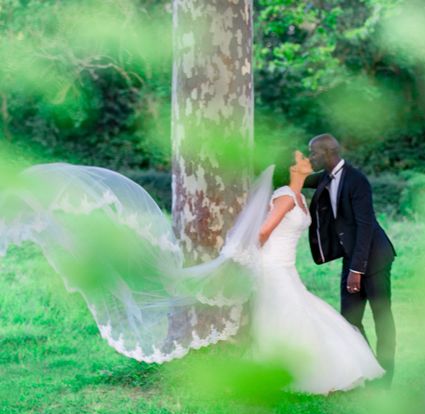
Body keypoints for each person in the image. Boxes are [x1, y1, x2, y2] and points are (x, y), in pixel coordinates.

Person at [0, 155, 383, 394]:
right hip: (272, 265)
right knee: (288, 314)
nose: (306, 158)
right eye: (302, 157)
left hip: (284, 264)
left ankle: (307, 369)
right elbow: (263, 231)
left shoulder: (300, 197)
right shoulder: (285, 195)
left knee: (296, 311)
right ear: (290, 168)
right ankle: (302, 372)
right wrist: (249, 256)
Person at [303, 134, 396, 386]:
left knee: (382, 318)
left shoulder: (357, 181)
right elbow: (296, 179)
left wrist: (357, 270)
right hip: (351, 258)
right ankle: (370, 370)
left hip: (374, 258)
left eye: (314, 153)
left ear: (329, 152)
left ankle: (386, 379)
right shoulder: (324, 178)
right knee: (350, 320)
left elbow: (365, 227)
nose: (311, 157)